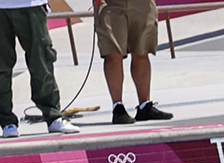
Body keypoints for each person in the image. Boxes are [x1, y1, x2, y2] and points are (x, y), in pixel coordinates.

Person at [0, 0, 77, 137]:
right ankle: (6, 122)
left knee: (41, 62)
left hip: (32, 5)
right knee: (2, 67)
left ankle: (53, 116)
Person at [96, 0, 165, 123]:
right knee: (113, 52)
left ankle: (145, 105)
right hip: (110, 3)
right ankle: (118, 107)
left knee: (142, 49)